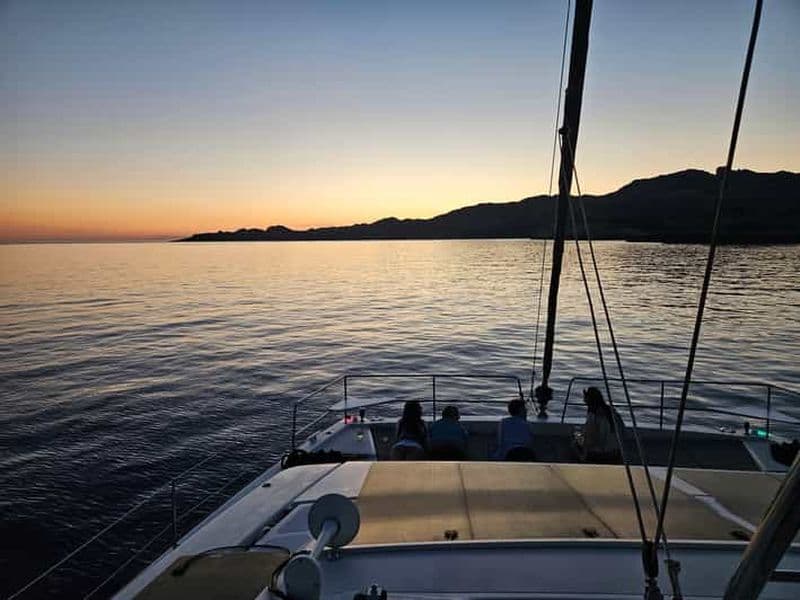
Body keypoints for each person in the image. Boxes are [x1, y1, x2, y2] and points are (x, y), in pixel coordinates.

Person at [576, 387, 623, 463]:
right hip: (617, 452)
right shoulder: (613, 412)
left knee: (575, 441)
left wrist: (579, 437)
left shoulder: (593, 415)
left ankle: (583, 460)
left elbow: (590, 441)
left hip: (603, 455)